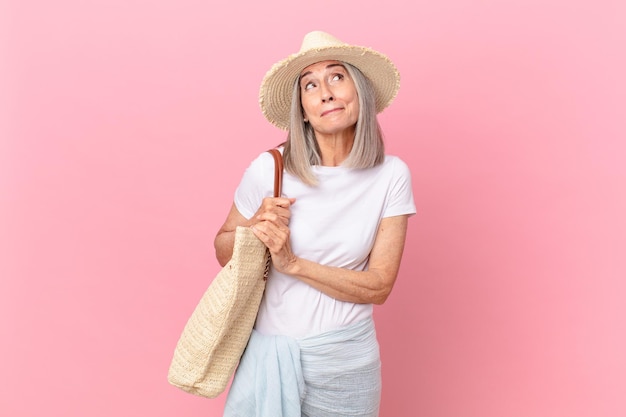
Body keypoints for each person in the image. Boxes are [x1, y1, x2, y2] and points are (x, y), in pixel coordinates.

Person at [214, 31, 416, 417]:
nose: (326, 92)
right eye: (310, 84)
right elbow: (223, 249)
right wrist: (253, 228)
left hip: (347, 363)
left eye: (337, 77)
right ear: (302, 110)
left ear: (359, 93)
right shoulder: (270, 169)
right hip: (269, 357)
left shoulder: (391, 176)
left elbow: (379, 286)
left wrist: (293, 264)